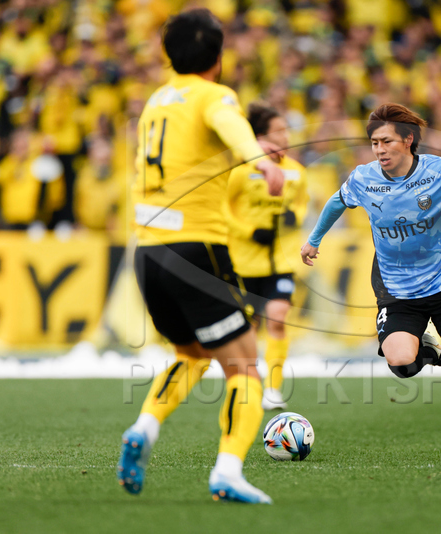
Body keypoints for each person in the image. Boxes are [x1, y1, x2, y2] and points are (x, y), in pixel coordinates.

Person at [118, 9, 284, 504]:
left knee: (190, 354)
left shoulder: (155, 103)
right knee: (245, 368)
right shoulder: (215, 96)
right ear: (218, 56)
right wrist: (261, 161)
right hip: (196, 249)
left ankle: (145, 427)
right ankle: (227, 471)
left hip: (148, 252)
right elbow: (229, 124)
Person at [301, 103, 441, 459]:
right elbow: (337, 202)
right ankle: (432, 353)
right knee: (401, 363)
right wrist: (314, 239)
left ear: (408, 140)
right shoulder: (364, 178)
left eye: (386, 142)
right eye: (374, 143)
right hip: (396, 290)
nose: (379, 150)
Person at [226, 103, 308, 411]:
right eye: (280, 130)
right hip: (245, 261)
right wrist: (250, 230)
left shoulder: (296, 171)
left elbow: (302, 203)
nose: (286, 136)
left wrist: (294, 217)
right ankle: (250, 385)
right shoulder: (241, 171)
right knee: (248, 328)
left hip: (281, 260)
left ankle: (273, 389)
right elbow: (224, 208)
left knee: (278, 317)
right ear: (261, 137)